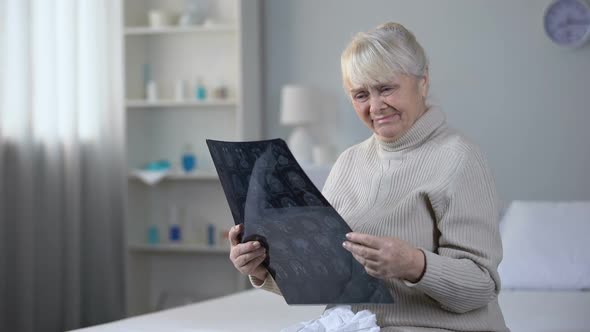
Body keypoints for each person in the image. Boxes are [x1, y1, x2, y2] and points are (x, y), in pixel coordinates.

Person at [228, 22, 508, 331]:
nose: (375, 106)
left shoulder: (459, 158)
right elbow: (328, 279)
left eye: (386, 88)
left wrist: (414, 264)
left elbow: (481, 286)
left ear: (423, 81)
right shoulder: (349, 162)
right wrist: (262, 268)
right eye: (361, 94)